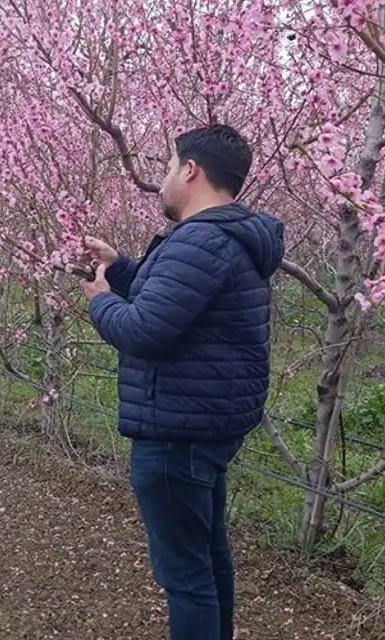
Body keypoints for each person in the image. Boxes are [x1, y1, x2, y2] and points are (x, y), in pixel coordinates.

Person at [79, 124, 284, 640]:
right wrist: (120, 267)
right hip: (205, 425)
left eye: (169, 167)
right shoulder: (231, 237)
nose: (165, 179)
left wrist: (100, 297)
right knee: (208, 554)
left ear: (190, 170)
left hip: (175, 432)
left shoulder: (200, 240)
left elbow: (144, 329)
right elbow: (180, 302)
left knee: (185, 576)